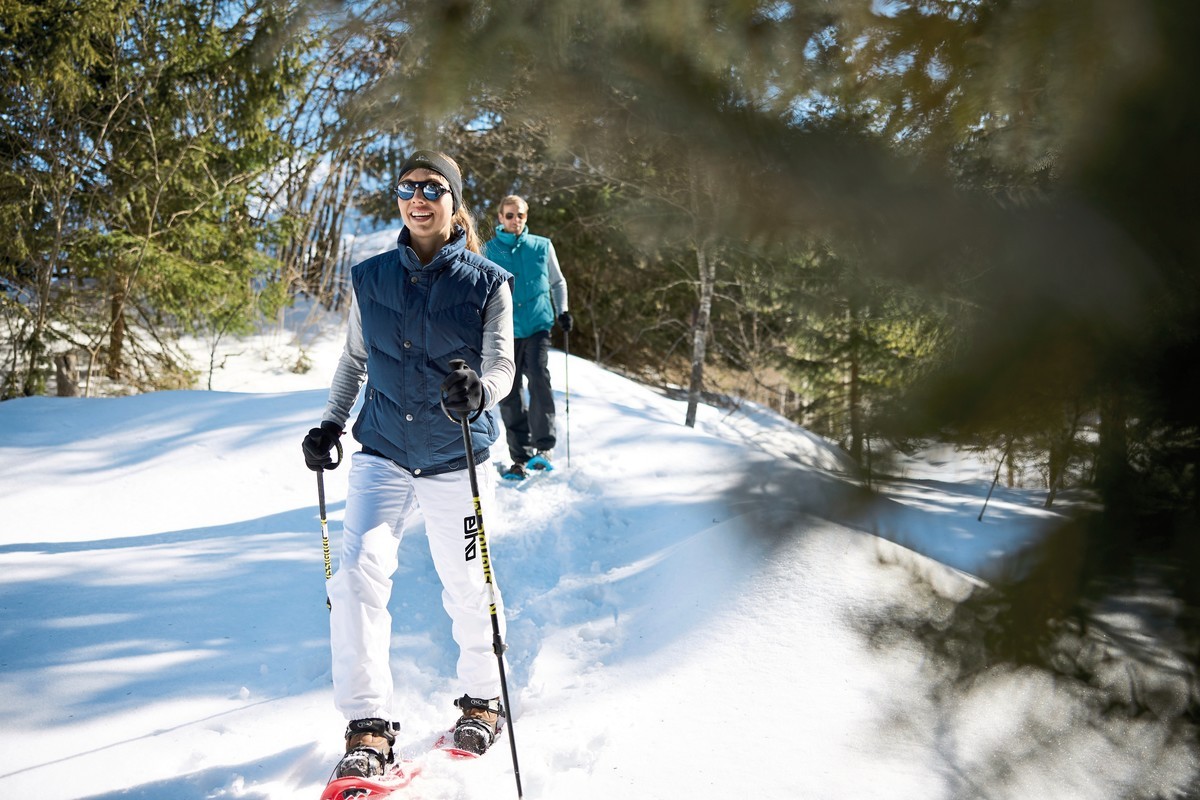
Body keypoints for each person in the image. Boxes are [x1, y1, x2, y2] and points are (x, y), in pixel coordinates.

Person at [300, 150, 516, 779]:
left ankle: (484, 700)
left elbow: (501, 365)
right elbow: (354, 360)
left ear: (454, 202)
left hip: (457, 457)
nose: (418, 197)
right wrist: (330, 423)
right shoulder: (370, 277)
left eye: (432, 188)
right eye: (407, 188)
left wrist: (481, 390)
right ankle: (367, 727)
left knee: (466, 580)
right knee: (358, 576)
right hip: (384, 452)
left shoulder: (487, 282)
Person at [482, 194, 572, 480]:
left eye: (519, 215)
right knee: (509, 390)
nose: (515, 220)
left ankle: (543, 449)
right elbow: (480, 288)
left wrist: (563, 311)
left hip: (537, 325)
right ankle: (519, 456)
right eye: (509, 215)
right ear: (500, 218)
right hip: (505, 330)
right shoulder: (489, 250)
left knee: (538, 377)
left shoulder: (542, 246)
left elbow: (557, 281)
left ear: (526, 216)